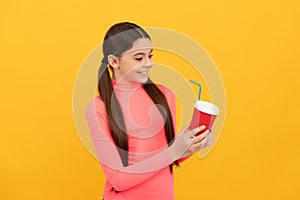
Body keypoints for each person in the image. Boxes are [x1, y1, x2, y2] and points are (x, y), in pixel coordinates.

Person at [85, 22, 212, 200]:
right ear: (114, 61)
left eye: (150, 56)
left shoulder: (164, 95)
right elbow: (117, 180)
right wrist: (173, 152)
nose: (148, 63)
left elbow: (169, 158)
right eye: (139, 58)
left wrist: (193, 145)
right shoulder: (98, 107)